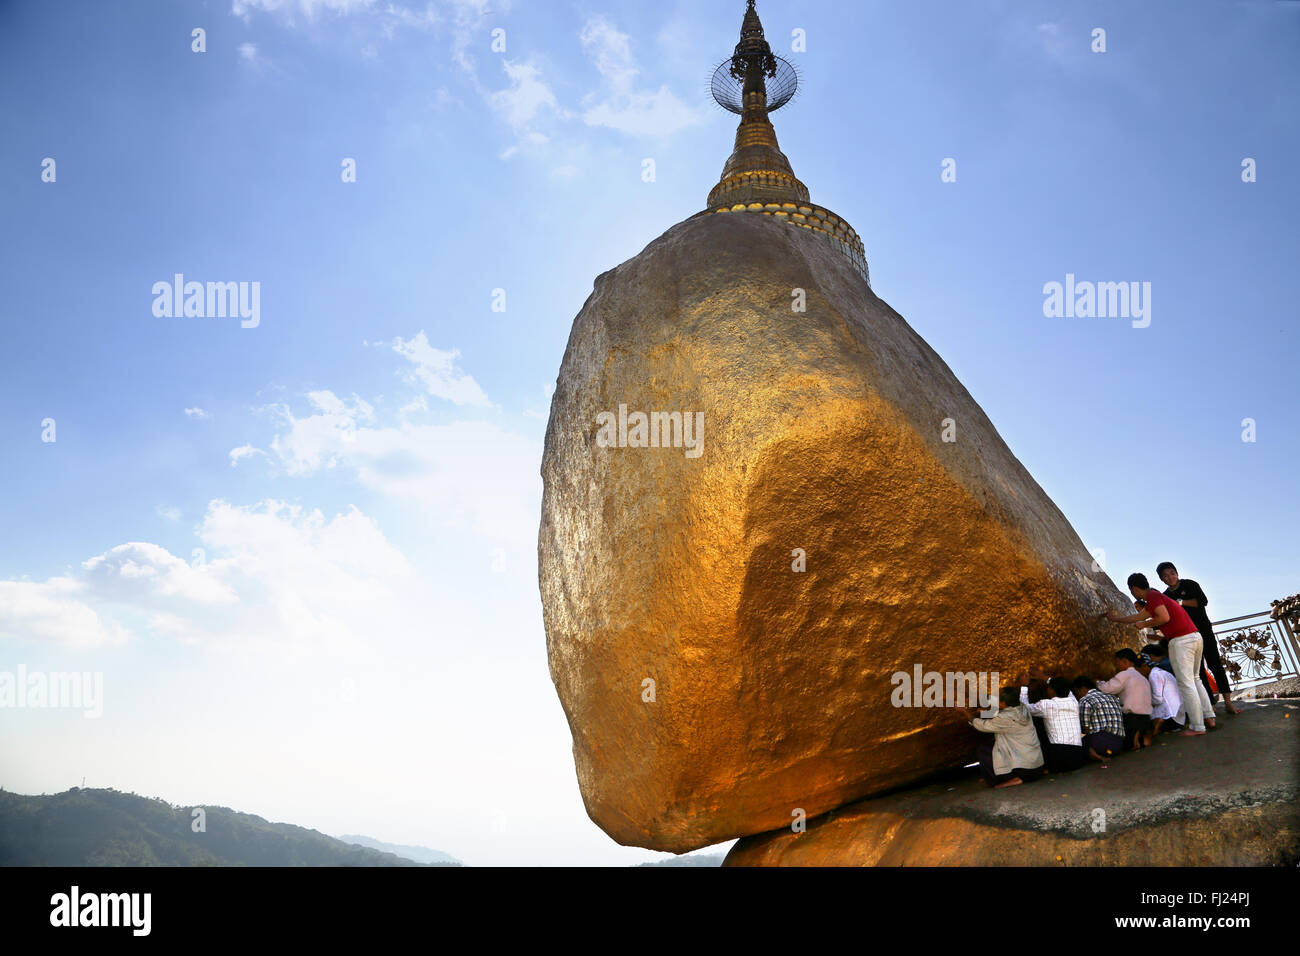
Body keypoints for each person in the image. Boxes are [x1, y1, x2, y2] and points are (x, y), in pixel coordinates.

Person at [1102, 573, 1209, 736]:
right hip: (1194, 636)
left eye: (1132, 591)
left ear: (1135, 589)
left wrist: (1144, 624)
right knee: (1195, 680)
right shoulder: (1155, 597)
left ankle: (1198, 726)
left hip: (1181, 640)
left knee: (1186, 684)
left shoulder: (1152, 596)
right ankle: (1209, 716)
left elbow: (1163, 617)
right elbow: (1137, 617)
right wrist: (1116, 619)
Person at [1157, 561, 1242, 714]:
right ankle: (1210, 705)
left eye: (1172, 573)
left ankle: (1229, 702)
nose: (1170, 577)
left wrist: (1181, 603)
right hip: (1186, 637)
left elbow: (1203, 602)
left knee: (1215, 664)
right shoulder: (1165, 596)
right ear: (1162, 579)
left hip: (1204, 631)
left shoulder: (1190, 584)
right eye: (1165, 576)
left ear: (1177, 572)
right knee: (1198, 672)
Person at [964, 686, 1045, 788]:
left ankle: (1003, 779)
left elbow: (983, 725)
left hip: (1025, 770)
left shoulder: (1005, 718)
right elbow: (993, 700)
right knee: (997, 745)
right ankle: (1019, 777)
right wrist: (972, 693)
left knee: (983, 751)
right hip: (1037, 766)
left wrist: (965, 713)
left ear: (1003, 703)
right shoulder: (1022, 707)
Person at [1019, 675, 1085, 772]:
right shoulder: (1073, 701)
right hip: (1078, 758)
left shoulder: (1046, 705)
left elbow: (1024, 709)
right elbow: (1068, 690)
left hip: (1058, 759)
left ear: (1052, 691)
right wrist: (1043, 677)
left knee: (1037, 724)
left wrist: (1024, 687)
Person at [1097, 649, 1155, 749]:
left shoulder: (1125, 675)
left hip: (1133, 717)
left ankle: (1135, 738)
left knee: (1125, 745)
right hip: (1146, 717)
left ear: (1124, 661)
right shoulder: (1141, 677)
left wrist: (1098, 682)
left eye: (1117, 662)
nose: (1116, 666)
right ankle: (1142, 736)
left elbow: (1108, 688)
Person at [1071, 675, 1127, 761]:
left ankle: (1096, 756)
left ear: (1082, 689)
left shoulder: (1085, 700)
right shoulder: (1112, 696)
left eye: (1076, 693)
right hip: (1118, 744)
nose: (1077, 696)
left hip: (1101, 746)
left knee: (1079, 734)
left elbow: (1085, 729)